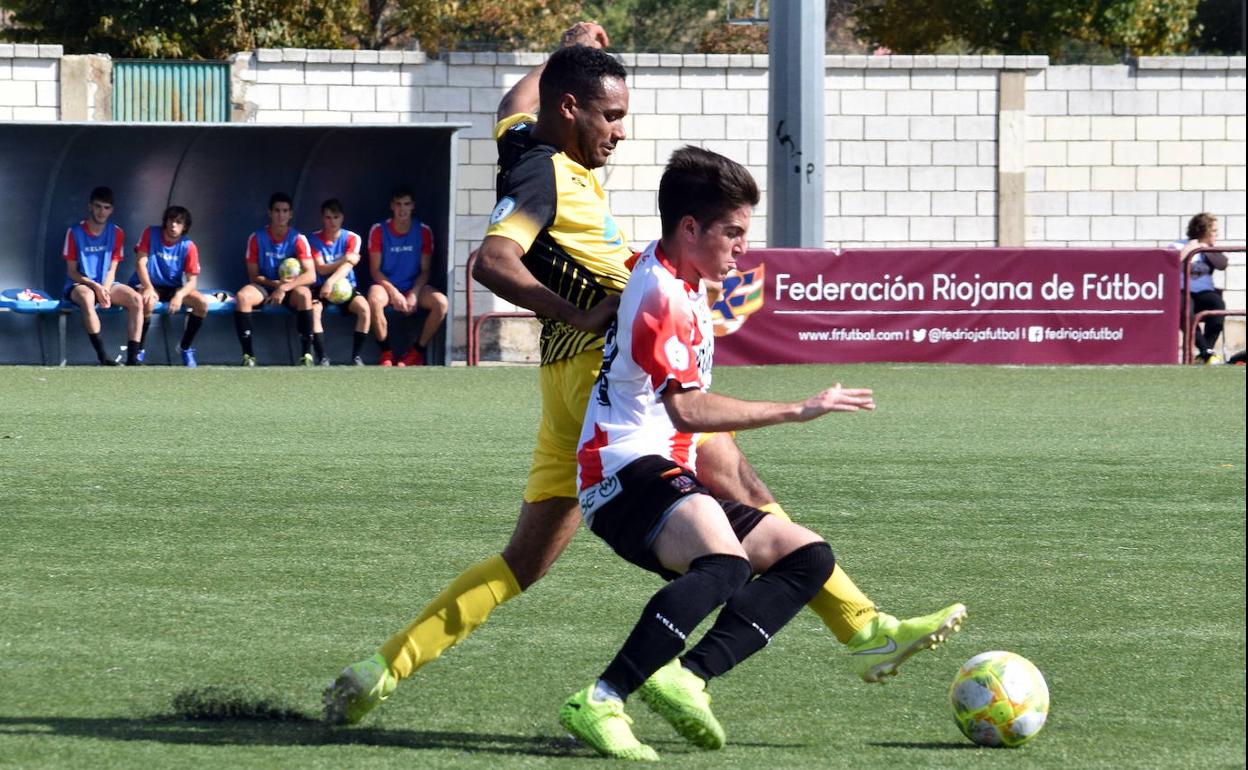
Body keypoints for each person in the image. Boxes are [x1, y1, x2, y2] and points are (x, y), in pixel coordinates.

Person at [322, 23, 964, 726]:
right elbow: (493, 262)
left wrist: (566, 51)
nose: (620, 132)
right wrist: (580, 308)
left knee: (522, 563)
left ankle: (382, 668)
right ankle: (862, 629)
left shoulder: (524, 146)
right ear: (570, 109)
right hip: (606, 366)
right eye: (612, 115)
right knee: (742, 489)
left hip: (565, 382)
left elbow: (515, 98)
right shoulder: (543, 175)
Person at [560, 146, 890, 760]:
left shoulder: (671, 271)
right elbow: (687, 410)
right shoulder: (663, 292)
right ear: (690, 228)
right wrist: (797, 409)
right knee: (726, 565)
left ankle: (687, 677)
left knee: (806, 556)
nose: (743, 247)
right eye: (732, 232)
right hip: (619, 470)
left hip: (659, 468)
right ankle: (602, 698)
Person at [61, 186, 144, 366]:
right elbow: (72, 272)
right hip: (80, 284)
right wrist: (96, 287)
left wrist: (105, 288)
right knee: (87, 297)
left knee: (136, 299)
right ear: (90, 207)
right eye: (98, 206)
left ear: (111, 210)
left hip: (106, 283)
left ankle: (132, 359)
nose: (101, 212)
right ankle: (103, 356)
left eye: (106, 208)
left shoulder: (117, 232)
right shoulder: (74, 232)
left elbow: (112, 268)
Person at [366, 188, 447, 366]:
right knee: (373, 298)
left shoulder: (423, 231)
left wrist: (414, 293)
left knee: (441, 303)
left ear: (413, 206)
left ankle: (417, 351)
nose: (402, 209)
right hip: (387, 286)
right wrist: (394, 293)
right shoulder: (379, 230)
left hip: (413, 286)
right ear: (392, 207)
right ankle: (386, 353)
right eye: (398, 204)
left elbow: (425, 270)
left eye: (407, 204)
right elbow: (375, 270)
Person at [233, 192, 316, 366]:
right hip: (265, 286)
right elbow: (253, 275)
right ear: (270, 213)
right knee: (242, 297)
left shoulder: (298, 239)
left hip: (289, 288)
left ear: (290, 214)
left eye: (285, 211)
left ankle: (306, 355)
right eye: (277, 211)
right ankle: (248, 356)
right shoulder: (256, 238)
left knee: (305, 295)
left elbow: (311, 275)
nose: (281, 215)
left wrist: (285, 287)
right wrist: (275, 285)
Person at [128, 205, 210, 367]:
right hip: (149, 284)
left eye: (179, 222)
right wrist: (149, 288)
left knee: (202, 304)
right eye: (171, 220)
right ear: (165, 221)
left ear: (185, 227)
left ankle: (185, 348)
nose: (173, 225)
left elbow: (192, 281)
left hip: (173, 288)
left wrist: (179, 295)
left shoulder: (188, 246)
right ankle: (139, 350)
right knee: (147, 301)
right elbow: (140, 263)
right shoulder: (150, 233)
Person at [309, 198, 370, 366]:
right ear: (322, 218)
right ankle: (323, 358)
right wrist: (344, 259)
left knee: (364, 308)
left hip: (345, 287)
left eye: (335, 217)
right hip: (321, 287)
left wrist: (333, 280)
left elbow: (349, 266)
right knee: (314, 311)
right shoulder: (313, 239)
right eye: (328, 217)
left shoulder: (352, 238)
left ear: (342, 218)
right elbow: (320, 268)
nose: (332, 221)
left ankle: (356, 357)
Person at [1176, 212, 1228, 364]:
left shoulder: (1210, 249)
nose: (1216, 234)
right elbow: (1173, 263)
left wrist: (1206, 249)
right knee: (1185, 310)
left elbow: (1222, 265)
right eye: (1213, 231)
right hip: (1183, 290)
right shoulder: (1178, 245)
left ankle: (1206, 352)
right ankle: (1206, 352)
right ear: (1203, 230)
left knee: (1218, 305)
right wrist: (1191, 248)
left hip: (1205, 292)